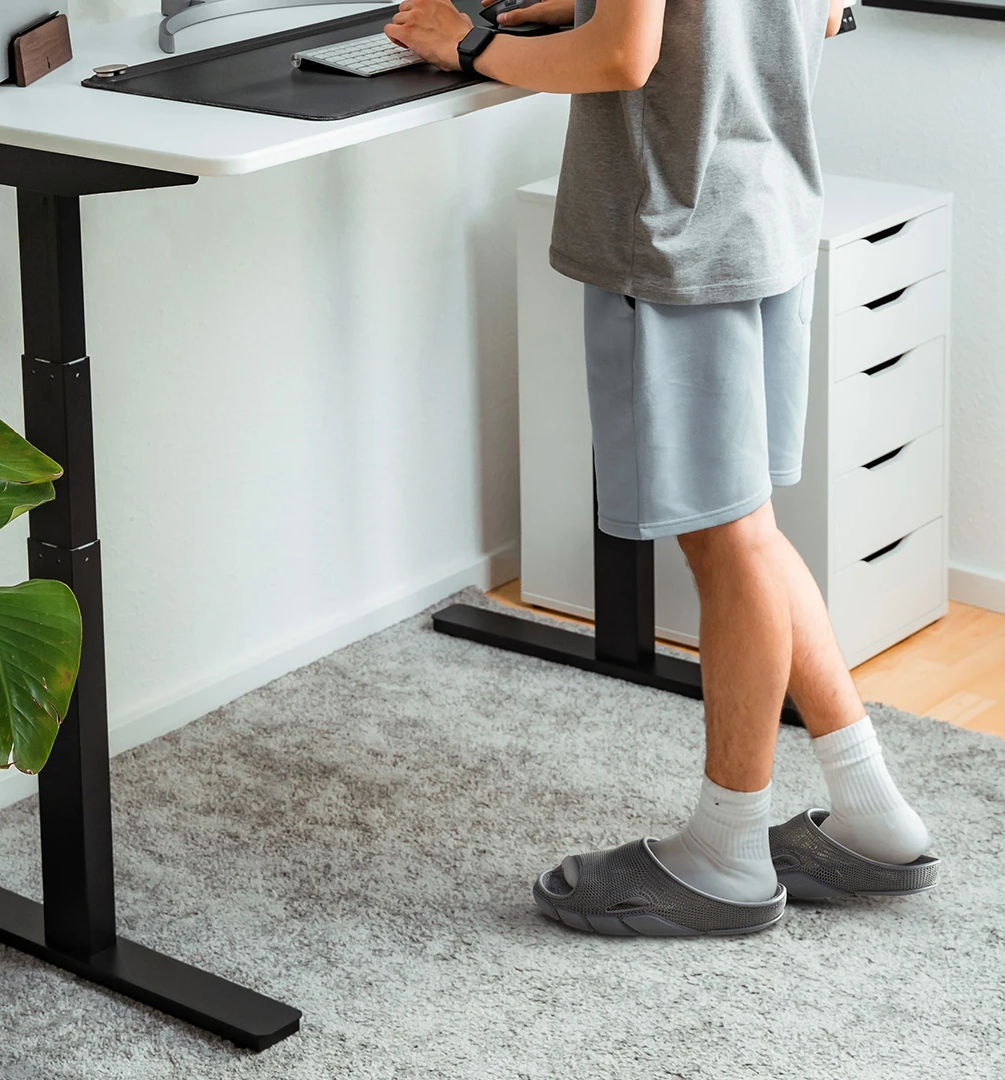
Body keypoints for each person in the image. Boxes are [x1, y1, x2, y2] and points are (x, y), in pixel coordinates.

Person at [387, 0, 937, 936]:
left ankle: (725, 858)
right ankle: (871, 815)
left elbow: (619, 56)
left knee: (730, 546)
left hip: (679, 229)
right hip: (762, 207)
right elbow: (827, 14)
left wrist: (471, 45)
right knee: (749, 529)